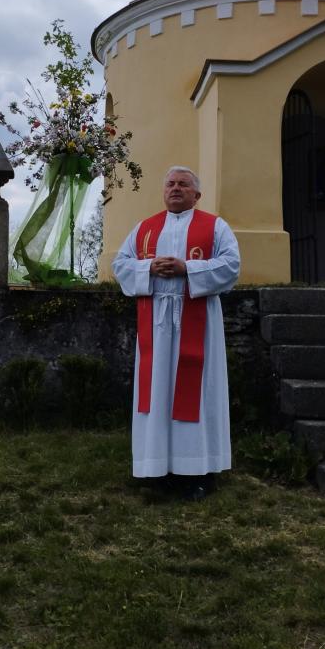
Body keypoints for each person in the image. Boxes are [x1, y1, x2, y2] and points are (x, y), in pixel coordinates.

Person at [112, 166, 240, 500]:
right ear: (163, 191)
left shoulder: (215, 226)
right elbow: (121, 265)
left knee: (198, 394)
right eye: (170, 184)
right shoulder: (144, 228)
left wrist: (188, 268)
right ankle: (157, 469)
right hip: (155, 323)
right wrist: (149, 267)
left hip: (197, 321)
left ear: (197, 195)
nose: (176, 188)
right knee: (157, 394)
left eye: (183, 184)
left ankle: (199, 471)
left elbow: (231, 266)